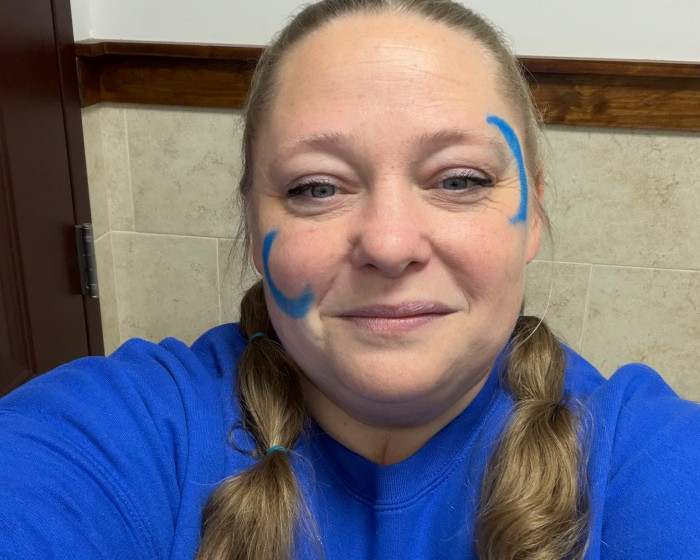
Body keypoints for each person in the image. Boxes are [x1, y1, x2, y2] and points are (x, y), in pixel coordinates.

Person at [2, 1, 699, 559]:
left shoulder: (646, 463)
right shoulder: (114, 438)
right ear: (251, 221)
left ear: (533, 215)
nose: (390, 245)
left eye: (460, 179)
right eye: (316, 188)